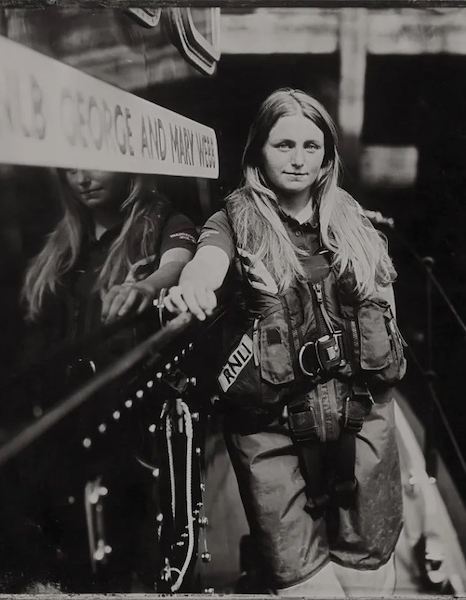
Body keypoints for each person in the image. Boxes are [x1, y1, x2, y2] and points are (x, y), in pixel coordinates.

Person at [164, 88, 406, 597]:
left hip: (361, 421)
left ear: (327, 157)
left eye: (311, 147)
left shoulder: (354, 223)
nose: (299, 160)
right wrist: (194, 284)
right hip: (272, 431)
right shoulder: (232, 221)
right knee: (304, 585)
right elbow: (208, 260)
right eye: (284, 145)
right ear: (258, 153)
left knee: (369, 581)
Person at [21, 169, 197, 591]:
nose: (81, 178)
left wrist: (146, 288)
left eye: (93, 163)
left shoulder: (168, 223)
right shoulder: (62, 246)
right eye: (70, 167)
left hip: (131, 427)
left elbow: (177, 265)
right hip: (67, 422)